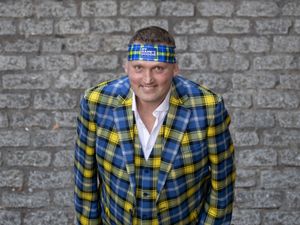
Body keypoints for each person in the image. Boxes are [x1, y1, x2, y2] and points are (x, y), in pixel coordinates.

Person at [74, 26, 235, 225]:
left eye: (158, 68)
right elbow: (85, 179)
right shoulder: (96, 103)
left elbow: (222, 185)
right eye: (138, 68)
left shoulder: (208, 108)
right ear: (126, 67)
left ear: (175, 69)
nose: (147, 80)